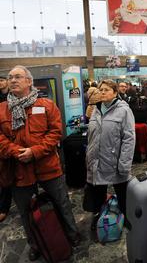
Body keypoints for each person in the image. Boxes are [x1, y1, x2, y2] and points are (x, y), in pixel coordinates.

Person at [0, 66, 79, 261]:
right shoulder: (1, 109)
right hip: (18, 169)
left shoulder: (46, 105)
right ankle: (35, 244)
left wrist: (34, 152)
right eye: (10, 77)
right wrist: (16, 152)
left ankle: (72, 236)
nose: (12, 80)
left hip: (48, 167)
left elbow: (55, 133)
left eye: (17, 77)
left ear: (29, 81)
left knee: (62, 203)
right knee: (25, 211)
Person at [83, 79, 135, 231]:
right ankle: (99, 217)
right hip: (97, 160)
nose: (103, 92)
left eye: (106, 89)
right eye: (101, 90)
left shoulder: (124, 110)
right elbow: (92, 135)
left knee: (123, 193)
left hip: (115, 160)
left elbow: (129, 138)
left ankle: (127, 217)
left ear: (115, 92)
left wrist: (124, 163)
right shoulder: (96, 110)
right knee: (98, 193)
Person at [0, 74, 11, 223]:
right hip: (3, 142)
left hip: (13, 139)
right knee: (4, 178)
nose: (0, 83)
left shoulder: (13, 96)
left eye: (2, 80)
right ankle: (3, 206)